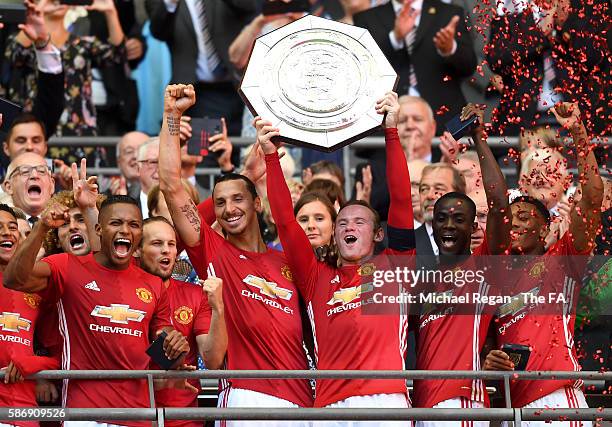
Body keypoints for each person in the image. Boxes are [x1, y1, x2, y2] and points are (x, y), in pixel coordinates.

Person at [159, 83, 313, 424]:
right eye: (219, 203)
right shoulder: (214, 253)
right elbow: (170, 183)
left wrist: (248, 174)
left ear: (257, 203)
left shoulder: (287, 260)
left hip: (303, 400)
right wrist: (172, 116)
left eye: (238, 199)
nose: (229, 209)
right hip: (247, 397)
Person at [259, 91, 415, 419]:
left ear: (377, 234)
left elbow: (401, 199)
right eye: (343, 221)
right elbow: (287, 223)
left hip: (386, 401)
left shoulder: (394, 266)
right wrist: (271, 157)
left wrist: (391, 131)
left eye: (360, 221)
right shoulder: (317, 276)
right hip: (329, 406)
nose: (350, 226)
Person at [3, 194, 190, 426]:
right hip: (83, 412)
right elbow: (13, 279)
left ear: (140, 234)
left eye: (133, 224)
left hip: (137, 415)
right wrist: (41, 227)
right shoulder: (67, 266)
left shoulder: (152, 284)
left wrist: (177, 347)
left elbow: (165, 355)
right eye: (116, 223)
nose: (125, 230)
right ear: (99, 229)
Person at [483, 102, 604, 423]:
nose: (517, 223)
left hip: (558, 400)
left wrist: (578, 132)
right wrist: (489, 359)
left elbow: (592, 196)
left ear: (546, 226)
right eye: (511, 218)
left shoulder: (563, 259)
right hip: (513, 407)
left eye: (526, 216)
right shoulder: (496, 274)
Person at [412, 104, 511, 426]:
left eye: (459, 219)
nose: (449, 225)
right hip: (420, 405)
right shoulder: (420, 277)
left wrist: (479, 138)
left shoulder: (485, 265)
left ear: (473, 228)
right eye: (441, 219)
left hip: (464, 402)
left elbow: (499, 205)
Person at [137, 216, 227, 427]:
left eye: (171, 244)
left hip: (183, 419)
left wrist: (218, 308)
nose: (166, 250)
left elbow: (213, 361)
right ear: (137, 250)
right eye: (157, 243)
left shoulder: (195, 295)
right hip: (131, 415)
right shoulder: (121, 292)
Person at [6, 0, 127, 139]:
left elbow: (118, 55)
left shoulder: (83, 44)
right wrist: (36, 12)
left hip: (79, 130)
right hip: (35, 129)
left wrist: (111, 12)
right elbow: (12, 54)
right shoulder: (27, 40)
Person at [487, 0, 610, 136]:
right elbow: (496, 60)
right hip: (523, 121)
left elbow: (598, 57)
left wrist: (564, 25)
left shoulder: (587, 7)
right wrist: (541, 35)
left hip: (577, 120)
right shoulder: (511, 11)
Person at [353, 0, 477, 130]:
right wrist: (395, 38)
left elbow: (469, 67)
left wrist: (450, 49)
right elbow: (363, 70)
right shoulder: (366, 18)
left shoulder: (450, 13)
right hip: (387, 122)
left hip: (444, 122)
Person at [145, 0, 256, 136]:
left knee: (248, 148)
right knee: (207, 151)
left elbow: (249, 7)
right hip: (199, 94)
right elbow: (158, 31)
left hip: (241, 86)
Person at [0, 203, 60, 423]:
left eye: (12, 227)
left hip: (23, 410)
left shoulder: (40, 290)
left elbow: (67, 355)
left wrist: (34, 364)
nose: (6, 233)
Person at [415, 162, 466, 256]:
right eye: (424, 189)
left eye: (439, 188)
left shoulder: (474, 238)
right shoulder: (405, 244)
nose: (429, 195)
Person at [3, 152, 55, 221]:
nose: (34, 175)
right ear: (9, 187)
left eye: (42, 171)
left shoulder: (67, 220)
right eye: (25, 171)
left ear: (52, 185)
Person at [137, 138, 160, 219]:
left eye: (165, 163)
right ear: (138, 168)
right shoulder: (124, 203)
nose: (160, 168)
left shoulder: (183, 204)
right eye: (153, 162)